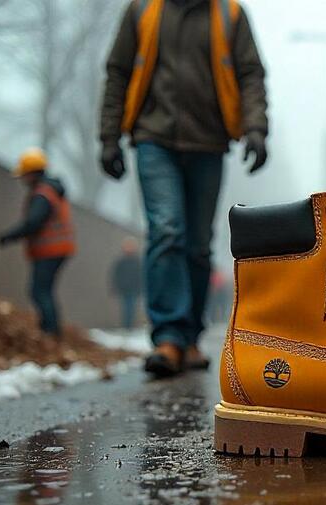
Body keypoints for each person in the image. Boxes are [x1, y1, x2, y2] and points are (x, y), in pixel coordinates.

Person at [100, 0, 269, 377]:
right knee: (167, 229)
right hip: (153, 139)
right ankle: (168, 337)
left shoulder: (230, 14)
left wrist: (256, 129)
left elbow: (250, 74)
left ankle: (190, 337)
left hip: (209, 142)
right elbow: (118, 72)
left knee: (197, 244)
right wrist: (108, 136)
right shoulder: (142, 10)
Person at [0, 148, 76, 338]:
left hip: (51, 250)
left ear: (32, 173)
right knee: (43, 290)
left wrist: (9, 236)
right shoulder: (50, 190)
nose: (23, 179)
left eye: (24, 175)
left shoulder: (43, 194)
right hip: (58, 249)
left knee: (39, 290)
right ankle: (50, 329)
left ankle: (50, 332)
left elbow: (33, 222)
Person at [110, 237, 143, 330]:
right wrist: (115, 287)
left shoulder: (137, 262)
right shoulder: (120, 262)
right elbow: (116, 275)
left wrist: (139, 288)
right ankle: (126, 326)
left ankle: (129, 326)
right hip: (124, 289)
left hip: (133, 289)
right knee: (126, 308)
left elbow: (140, 276)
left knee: (131, 308)